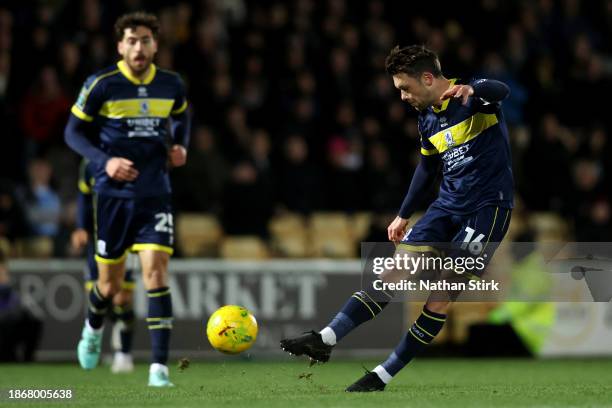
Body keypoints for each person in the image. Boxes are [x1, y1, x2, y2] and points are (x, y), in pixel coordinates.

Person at [281, 45, 513, 391]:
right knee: (391, 272)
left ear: (428, 78)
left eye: (405, 88)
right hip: (445, 207)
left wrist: (475, 89)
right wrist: (402, 215)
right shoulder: (427, 118)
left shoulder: (472, 96)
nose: (402, 96)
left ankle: (381, 376)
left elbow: (501, 90)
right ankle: (325, 339)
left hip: (487, 210)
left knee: (440, 294)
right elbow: (428, 167)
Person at [64, 11, 191, 387]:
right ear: (120, 46)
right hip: (113, 196)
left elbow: (183, 116)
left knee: (156, 274)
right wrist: (107, 161)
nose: (139, 47)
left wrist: (180, 144)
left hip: (155, 194)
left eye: (146, 40)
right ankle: (92, 326)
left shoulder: (171, 83)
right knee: (109, 287)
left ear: (155, 45)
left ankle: (158, 370)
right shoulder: (102, 84)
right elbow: (73, 133)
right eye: (132, 40)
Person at [71, 158, 137, 373]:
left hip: (129, 236)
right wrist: (81, 227)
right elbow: (83, 195)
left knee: (122, 298)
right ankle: (92, 338)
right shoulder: (90, 162)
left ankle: (124, 354)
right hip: (98, 237)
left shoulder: (136, 152)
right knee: (100, 293)